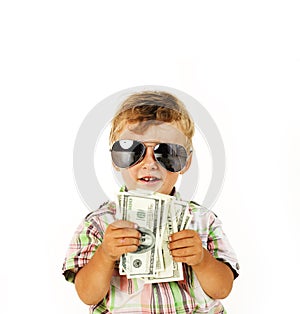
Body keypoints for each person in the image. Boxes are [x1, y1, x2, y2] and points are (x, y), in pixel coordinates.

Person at [62, 90, 239, 313]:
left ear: (186, 162)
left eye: (166, 152)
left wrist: (202, 259)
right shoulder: (99, 224)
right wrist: (106, 255)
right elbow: (88, 295)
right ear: (117, 160)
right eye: (133, 150)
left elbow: (223, 289)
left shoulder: (204, 221)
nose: (149, 163)